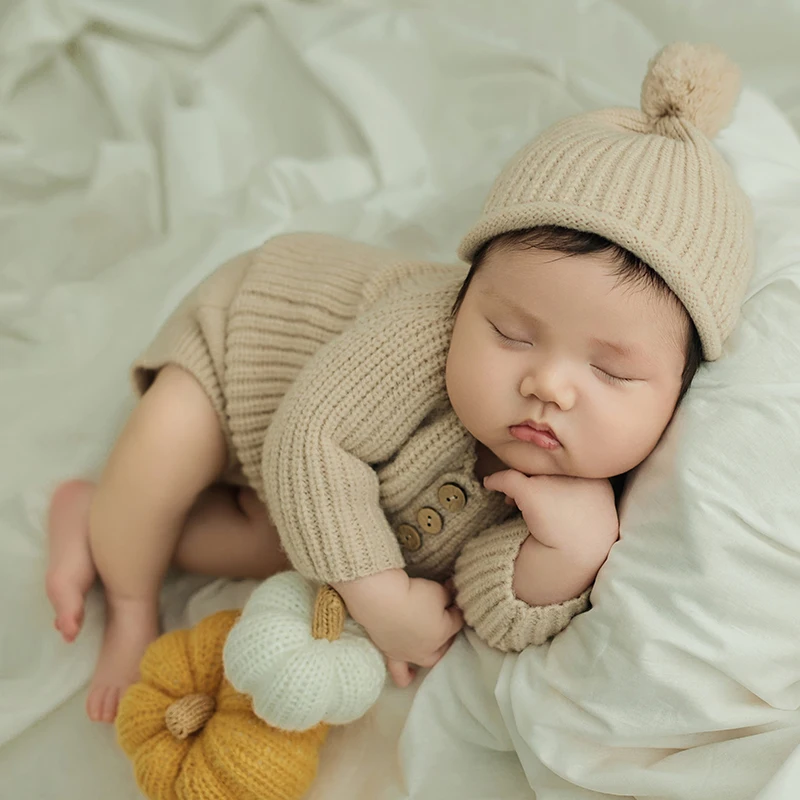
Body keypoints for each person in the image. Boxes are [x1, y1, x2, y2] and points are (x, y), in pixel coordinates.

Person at [44, 42, 753, 723]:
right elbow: (310, 440)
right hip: (244, 357)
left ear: (677, 388)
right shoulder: (424, 328)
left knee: (272, 542)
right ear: (468, 291)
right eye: (510, 333)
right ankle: (131, 599)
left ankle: (94, 515)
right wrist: (377, 593)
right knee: (170, 445)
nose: (549, 385)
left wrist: (564, 559)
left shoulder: (601, 476)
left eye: (612, 370)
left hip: (307, 492)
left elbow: (489, 612)